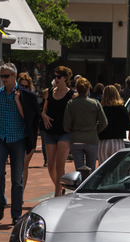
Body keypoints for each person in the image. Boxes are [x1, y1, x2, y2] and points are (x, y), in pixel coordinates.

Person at [0, 63, 40, 225]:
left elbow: (29, 119)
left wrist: (17, 101)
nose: (3, 79)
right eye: (1, 76)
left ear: (14, 76)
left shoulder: (24, 95)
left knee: (17, 179)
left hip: (18, 139)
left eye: (6, 76)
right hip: (1, 138)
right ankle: (1, 201)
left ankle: (16, 214)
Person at [42, 66, 75, 197]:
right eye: (54, 76)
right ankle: (60, 187)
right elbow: (44, 110)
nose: (56, 79)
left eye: (58, 77)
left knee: (59, 165)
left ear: (65, 78)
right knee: (50, 166)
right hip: (50, 132)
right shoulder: (49, 92)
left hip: (65, 132)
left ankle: (57, 195)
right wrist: (43, 115)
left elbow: (75, 114)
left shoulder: (71, 95)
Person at [63, 77, 108, 172]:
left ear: (77, 89)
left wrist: (73, 131)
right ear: (88, 89)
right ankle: (89, 186)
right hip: (91, 139)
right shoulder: (95, 103)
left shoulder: (71, 103)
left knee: (79, 170)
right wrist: (95, 130)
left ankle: (80, 185)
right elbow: (104, 122)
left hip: (76, 139)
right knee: (91, 169)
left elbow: (66, 125)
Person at [98, 85, 130, 163]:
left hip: (103, 141)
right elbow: (128, 126)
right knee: (117, 168)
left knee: (103, 169)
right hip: (118, 141)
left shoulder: (101, 109)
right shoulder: (122, 109)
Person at [17, 73, 37, 192]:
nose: (24, 89)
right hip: (16, 135)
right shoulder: (13, 98)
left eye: (27, 86)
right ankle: (18, 191)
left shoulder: (31, 98)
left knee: (24, 164)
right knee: (18, 165)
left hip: (29, 136)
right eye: (21, 86)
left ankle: (21, 192)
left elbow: (30, 118)